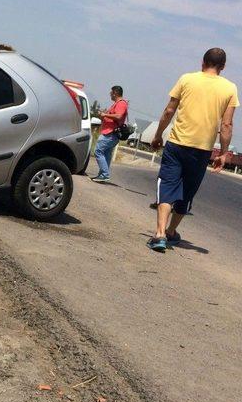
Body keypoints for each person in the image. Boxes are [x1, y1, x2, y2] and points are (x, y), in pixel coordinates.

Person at [147, 48, 238, 252]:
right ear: (222, 67)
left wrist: (158, 134)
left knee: (168, 186)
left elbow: (169, 110)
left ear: (202, 62)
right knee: (187, 193)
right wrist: (223, 153)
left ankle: (159, 234)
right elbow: (227, 125)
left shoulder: (186, 79)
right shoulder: (230, 88)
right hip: (202, 150)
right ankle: (171, 232)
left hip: (177, 144)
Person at [91, 86, 128, 183]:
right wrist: (104, 116)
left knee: (98, 151)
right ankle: (102, 175)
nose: (110, 94)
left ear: (115, 93)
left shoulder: (121, 103)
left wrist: (105, 115)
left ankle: (104, 174)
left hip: (111, 133)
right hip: (109, 132)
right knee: (106, 154)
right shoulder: (116, 104)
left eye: (111, 93)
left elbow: (119, 116)